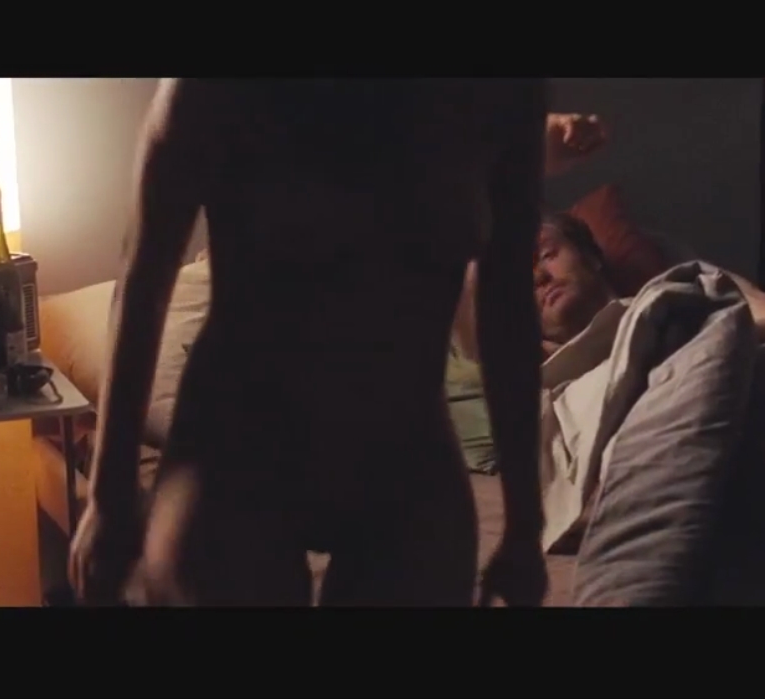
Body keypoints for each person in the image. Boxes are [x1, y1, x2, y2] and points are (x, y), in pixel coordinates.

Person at [68, 80, 598, 607]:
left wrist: (524, 524)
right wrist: (109, 496)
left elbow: (507, 308)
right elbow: (144, 275)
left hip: (404, 445)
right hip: (238, 441)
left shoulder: (502, 95)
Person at [455, 212, 765, 365]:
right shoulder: (541, 370)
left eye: (546, 254)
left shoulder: (687, 286)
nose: (538, 277)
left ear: (592, 256)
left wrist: (702, 345)